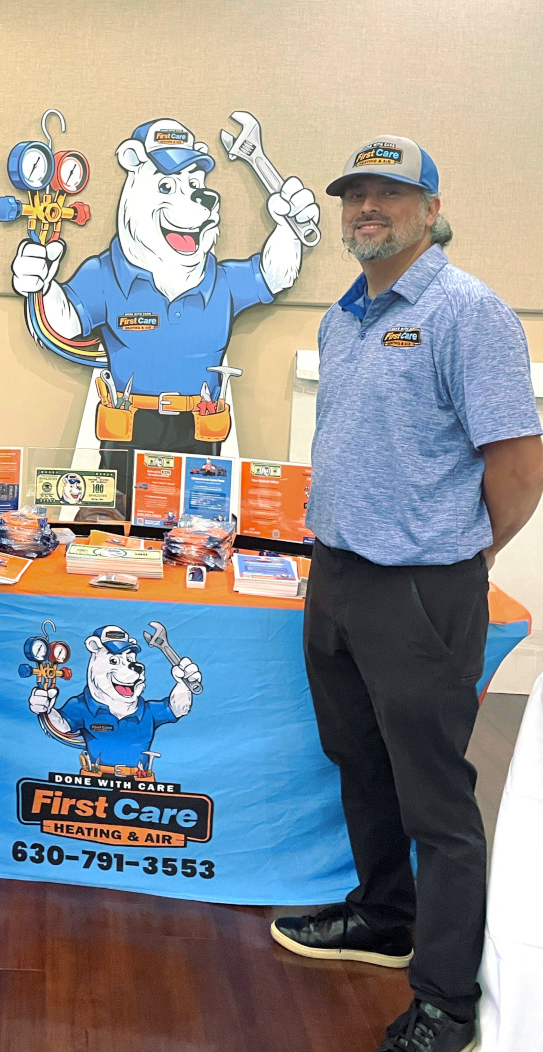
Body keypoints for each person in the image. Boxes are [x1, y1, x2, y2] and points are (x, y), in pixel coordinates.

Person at [270, 135, 543, 1052]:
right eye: (354, 196)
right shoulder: (343, 316)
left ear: (430, 210)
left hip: (423, 589)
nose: (366, 210)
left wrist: (463, 553)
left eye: (388, 194)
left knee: (436, 799)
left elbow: (520, 467)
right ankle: (385, 917)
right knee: (359, 760)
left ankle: (447, 1001)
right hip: (339, 576)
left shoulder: (470, 314)